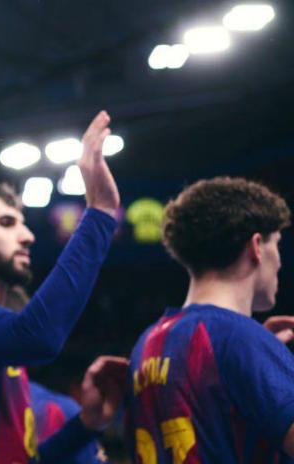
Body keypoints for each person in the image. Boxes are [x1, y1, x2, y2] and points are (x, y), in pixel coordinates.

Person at [0, 111, 119, 464]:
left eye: (23, 223)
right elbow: (39, 337)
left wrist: (85, 424)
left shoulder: (1, 344)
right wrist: (100, 214)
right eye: (6, 223)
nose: (28, 236)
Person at [125, 176, 294, 461]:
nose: (279, 259)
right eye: (276, 244)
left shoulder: (148, 342)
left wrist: (263, 360)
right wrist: (259, 351)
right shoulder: (240, 339)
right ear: (256, 246)